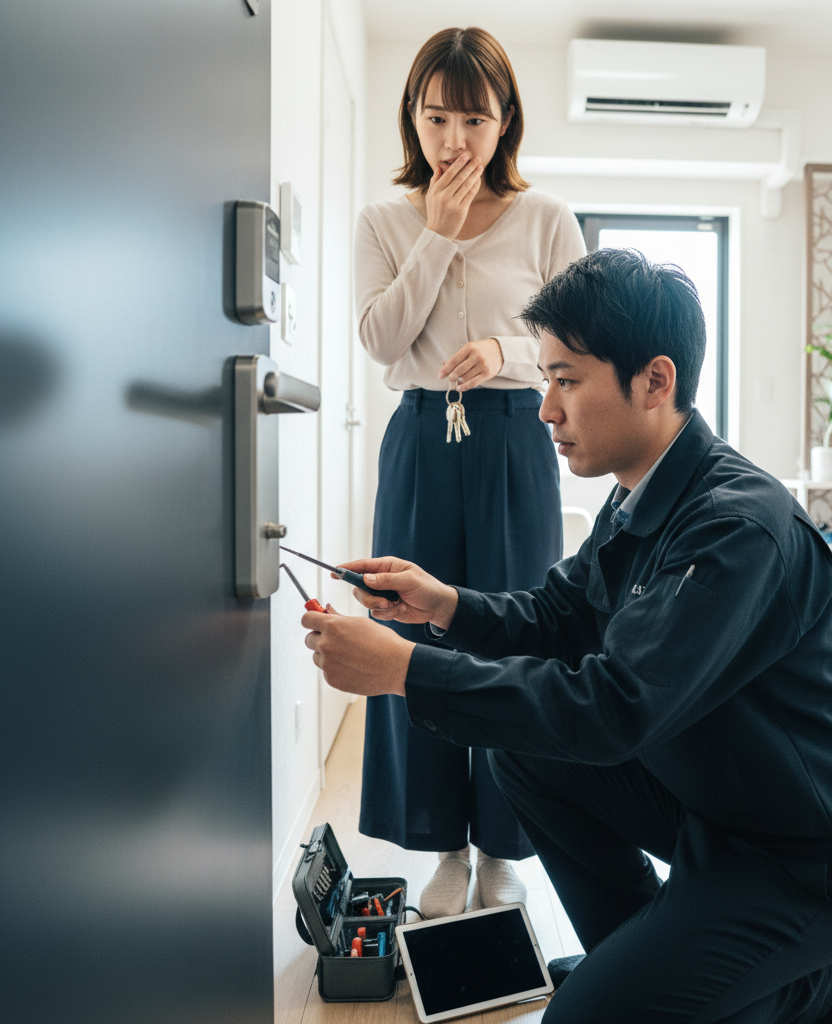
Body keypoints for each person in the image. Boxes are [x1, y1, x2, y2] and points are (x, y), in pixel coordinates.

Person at [307, 249, 832, 1024]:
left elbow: (614, 708)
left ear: (654, 381)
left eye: (565, 381)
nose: (544, 409)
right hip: (723, 804)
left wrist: (409, 672)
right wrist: (443, 604)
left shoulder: (736, 528)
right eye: (547, 379)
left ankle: (812, 983)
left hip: (811, 855)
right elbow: (558, 617)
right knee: (520, 747)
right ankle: (647, 951)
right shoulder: (640, 495)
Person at [354, 26, 587, 919]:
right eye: (436, 115)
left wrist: (508, 349)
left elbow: (579, 348)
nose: (453, 140)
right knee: (411, 634)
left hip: (516, 443)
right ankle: (442, 842)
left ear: (505, 122)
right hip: (419, 438)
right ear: (412, 117)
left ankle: (505, 841)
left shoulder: (546, 219)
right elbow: (381, 339)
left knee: (513, 638)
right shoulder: (386, 221)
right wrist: (438, 236)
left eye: (473, 119)